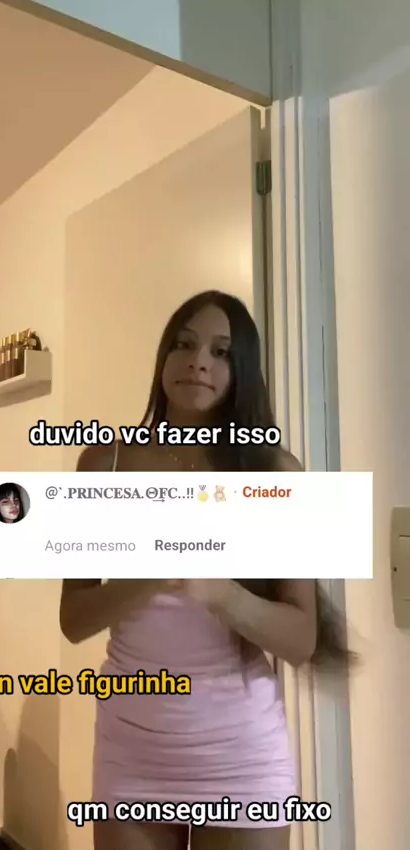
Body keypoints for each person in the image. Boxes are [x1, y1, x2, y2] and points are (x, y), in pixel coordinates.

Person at [60, 290, 353, 850]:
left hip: (240, 752)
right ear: (163, 358)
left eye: (220, 352)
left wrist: (223, 593)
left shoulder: (275, 471)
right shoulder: (103, 463)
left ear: (241, 371)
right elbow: (73, 619)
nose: (198, 361)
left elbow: (302, 640)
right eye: (184, 344)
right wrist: (151, 575)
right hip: (131, 748)